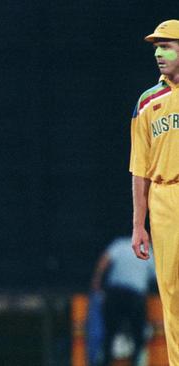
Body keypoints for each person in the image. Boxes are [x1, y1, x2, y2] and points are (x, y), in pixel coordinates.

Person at [130, 19, 179, 365]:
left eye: (167, 46)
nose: (159, 54)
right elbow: (139, 169)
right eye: (156, 48)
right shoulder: (148, 101)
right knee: (171, 292)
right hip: (164, 199)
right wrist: (138, 225)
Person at [91, 236, 156, 365]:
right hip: (135, 297)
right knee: (138, 334)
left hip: (115, 294)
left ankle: (105, 361)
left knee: (110, 334)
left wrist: (96, 282)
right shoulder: (149, 251)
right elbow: (157, 276)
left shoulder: (120, 244)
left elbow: (104, 260)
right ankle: (136, 362)